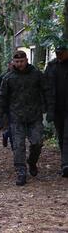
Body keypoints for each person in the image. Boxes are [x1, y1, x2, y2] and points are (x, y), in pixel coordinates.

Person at [0, 50, 48, 186]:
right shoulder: (8, 78)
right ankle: (21, 171)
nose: (20, 64)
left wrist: (48, 109)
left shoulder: (36, 74)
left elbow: (46, 90)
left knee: (37, 142)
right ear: (13, 62)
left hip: (34, 116)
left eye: (22, 61)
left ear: (26, 60)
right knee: (18, 146)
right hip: (16, 117)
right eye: (17, 61)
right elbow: (2, 97)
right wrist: (0, 116)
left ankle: (32, 161)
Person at [44, 44, 68, 177]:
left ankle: (65, 164)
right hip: (56, 108)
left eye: (62, 53)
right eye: (57, 53)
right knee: (61, 136)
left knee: (67, 136)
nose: (59, 55)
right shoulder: (51, 66)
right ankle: (65, 162)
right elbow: (45, 86)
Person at [0, 61, 14, 150]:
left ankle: (12, 142)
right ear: (8, 65)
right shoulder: (3, 77)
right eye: (11, 64)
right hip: (7, 106)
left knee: (16, 126)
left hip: (19, 106)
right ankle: (9, 138)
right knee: (11, 125)